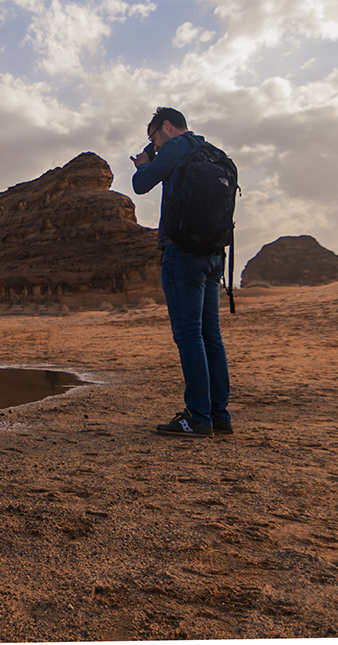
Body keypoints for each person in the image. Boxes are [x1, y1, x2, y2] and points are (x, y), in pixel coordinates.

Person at [130, 106, 232, 438]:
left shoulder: (176, 146)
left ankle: (197, 417)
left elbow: (141, 184)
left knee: (189, 336)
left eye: (153, 138)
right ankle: (219, 415)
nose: (155, 145)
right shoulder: (214, 152)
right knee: (210, 336)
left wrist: (145, 162)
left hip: (183, 253)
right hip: (214, 255)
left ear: (168, 126)